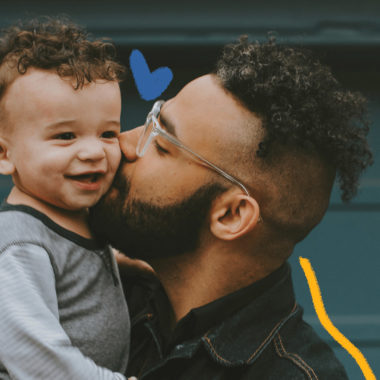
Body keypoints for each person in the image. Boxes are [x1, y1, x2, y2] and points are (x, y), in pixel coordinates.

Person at [90, 36, 373, 379]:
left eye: (162, 143)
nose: (124, 142)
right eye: (153, 118)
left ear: (231, 215)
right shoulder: (97, 290)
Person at [0, 18, 131, 379]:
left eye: (107, 133)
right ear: (3, 154)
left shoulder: (74, 214)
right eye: (65, 136)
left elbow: (74, 266)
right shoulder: (19, 244)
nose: (93, 152)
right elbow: (35, 358)